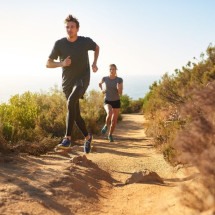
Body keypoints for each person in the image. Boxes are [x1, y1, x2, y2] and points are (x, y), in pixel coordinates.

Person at [46, 14, 99, 153]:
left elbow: (96, 47)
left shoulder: (84, 42)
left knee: (70, 102)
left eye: (72, 27)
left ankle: (67, 138)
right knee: (75, 115)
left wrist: (94, 63)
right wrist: (62, 63)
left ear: (77, 29)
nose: (69, 29)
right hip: (67, 83)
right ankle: (88, 137)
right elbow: (48, 63)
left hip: (82, 79)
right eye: (67, 27)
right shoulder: (60, 44)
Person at [99, 64, 123, 142]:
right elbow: (100, 84)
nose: (112, 71)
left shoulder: (119, 79)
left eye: (113, 69)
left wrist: (119, 88)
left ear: (116, 70)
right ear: (109, 70)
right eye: (110, 69)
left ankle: (110, 135)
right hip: (107, 100)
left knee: (114, 121)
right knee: (109, 113)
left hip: (116, 101)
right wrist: (102, 90)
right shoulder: (105, 78)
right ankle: (106, 125)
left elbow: (120, 93)